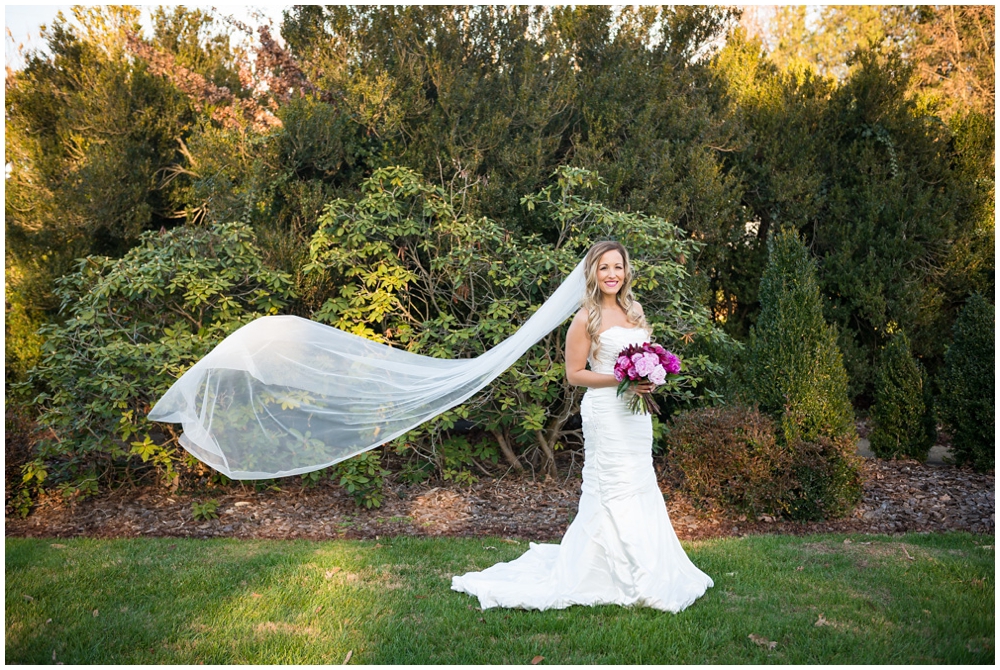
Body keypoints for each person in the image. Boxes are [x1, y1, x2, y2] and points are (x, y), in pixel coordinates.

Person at [452, 241, 714, 612]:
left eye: (618, 267)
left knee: (639, 481)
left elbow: (644, 354)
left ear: (626, 271)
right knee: (611, 486)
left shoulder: (634, 310)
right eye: (604, 267)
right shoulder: (585, 317)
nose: (612, 274)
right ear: (593, 272)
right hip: (606, 413)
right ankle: (601, 572)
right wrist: (620, 379)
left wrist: (649, 377)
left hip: (636, 415)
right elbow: (574, 374)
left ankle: (650, 568)